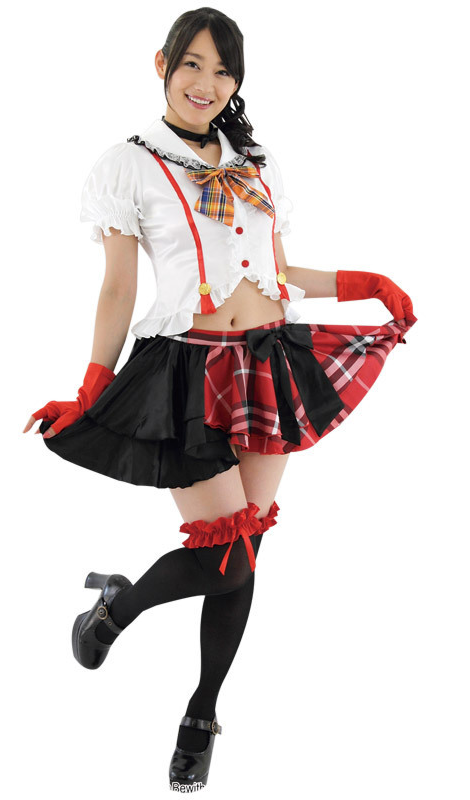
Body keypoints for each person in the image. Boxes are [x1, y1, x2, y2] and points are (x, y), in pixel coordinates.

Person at [23, 7, 417, 792]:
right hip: (188, 370)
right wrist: (93, 385)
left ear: (237, 81)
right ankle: (117, 610)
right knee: (226, 555)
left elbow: (280, 271)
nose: (207, 84)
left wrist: (364, 283)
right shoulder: (128, 164)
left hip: (267, 361)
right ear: (162, 64)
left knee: (244, 557)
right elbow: (118, 287)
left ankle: (201, 712)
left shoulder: (254, 163)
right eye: (193, 65)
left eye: (223, 71)